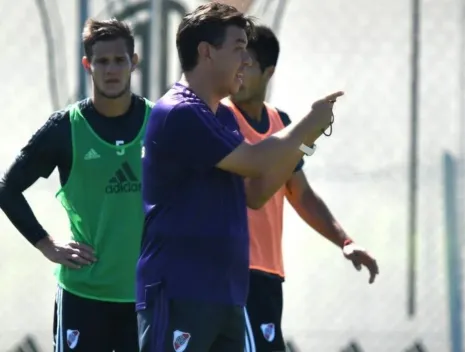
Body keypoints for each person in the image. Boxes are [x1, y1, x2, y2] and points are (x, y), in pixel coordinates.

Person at [137, 2, 344, 352]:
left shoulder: (223, 117)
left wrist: (306, 141)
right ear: (206, 52)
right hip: (181, 291)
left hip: (227, 296)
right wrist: (307, 124)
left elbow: (258, 193)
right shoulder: (179, 111)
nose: (246, 61)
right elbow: (255, 161)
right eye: (237, 49)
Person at [221, 25, 379, 352]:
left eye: (247, 63)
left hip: (269, 275)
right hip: (231, 272)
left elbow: (300, 192)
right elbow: (254, 192)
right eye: (236, 60)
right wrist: (307, 137)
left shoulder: (281, 122)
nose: (238, 70)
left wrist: (345, 241)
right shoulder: (220, 118)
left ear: (269, 72)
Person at [0, 18, 153, 352]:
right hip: (84, 296)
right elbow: (6, 188)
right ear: (88, 65)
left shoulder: (159, 123)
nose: (111, 69)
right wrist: (46, 243)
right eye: (101, 61)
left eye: (119, 60)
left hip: (145, 297)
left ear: (134, 62)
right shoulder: (65, 128)